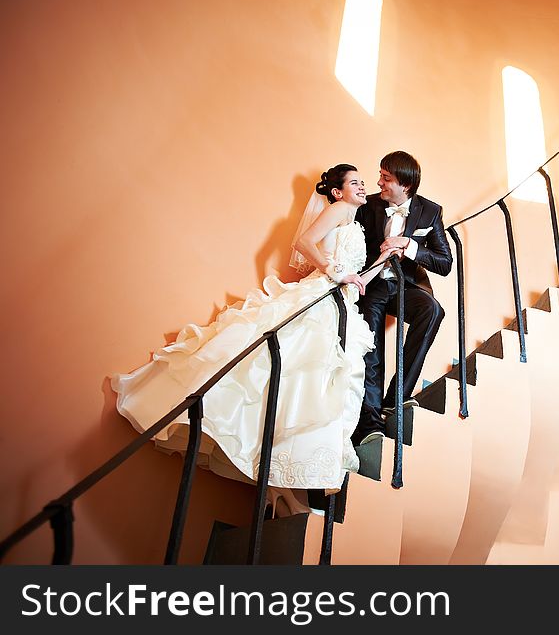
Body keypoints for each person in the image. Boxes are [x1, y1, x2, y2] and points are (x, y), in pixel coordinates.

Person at [112, 164, 398, 501]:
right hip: (322, 295)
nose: (363, 187)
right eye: (355, 183)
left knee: (322, 379)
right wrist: (335, 272)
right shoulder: (338, 210)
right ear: (337, 192)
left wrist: (384, 257)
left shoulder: (355, 224)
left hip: (343, 303)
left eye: (363, 182)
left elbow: (358, 282)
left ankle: (290, 471)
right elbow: (304, 241)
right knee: (300, 368)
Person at [352, 151, 453, 446]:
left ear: (405, 185)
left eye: (386, 178)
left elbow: (444, 263)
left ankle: (396, 399)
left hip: (406, 285)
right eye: (380, 175)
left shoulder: (430, 212)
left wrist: (409, 245)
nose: (379, 182)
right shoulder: (368, 205)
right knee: (371, 346)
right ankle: (369, 419)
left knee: (433, 311)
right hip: (371, 286)